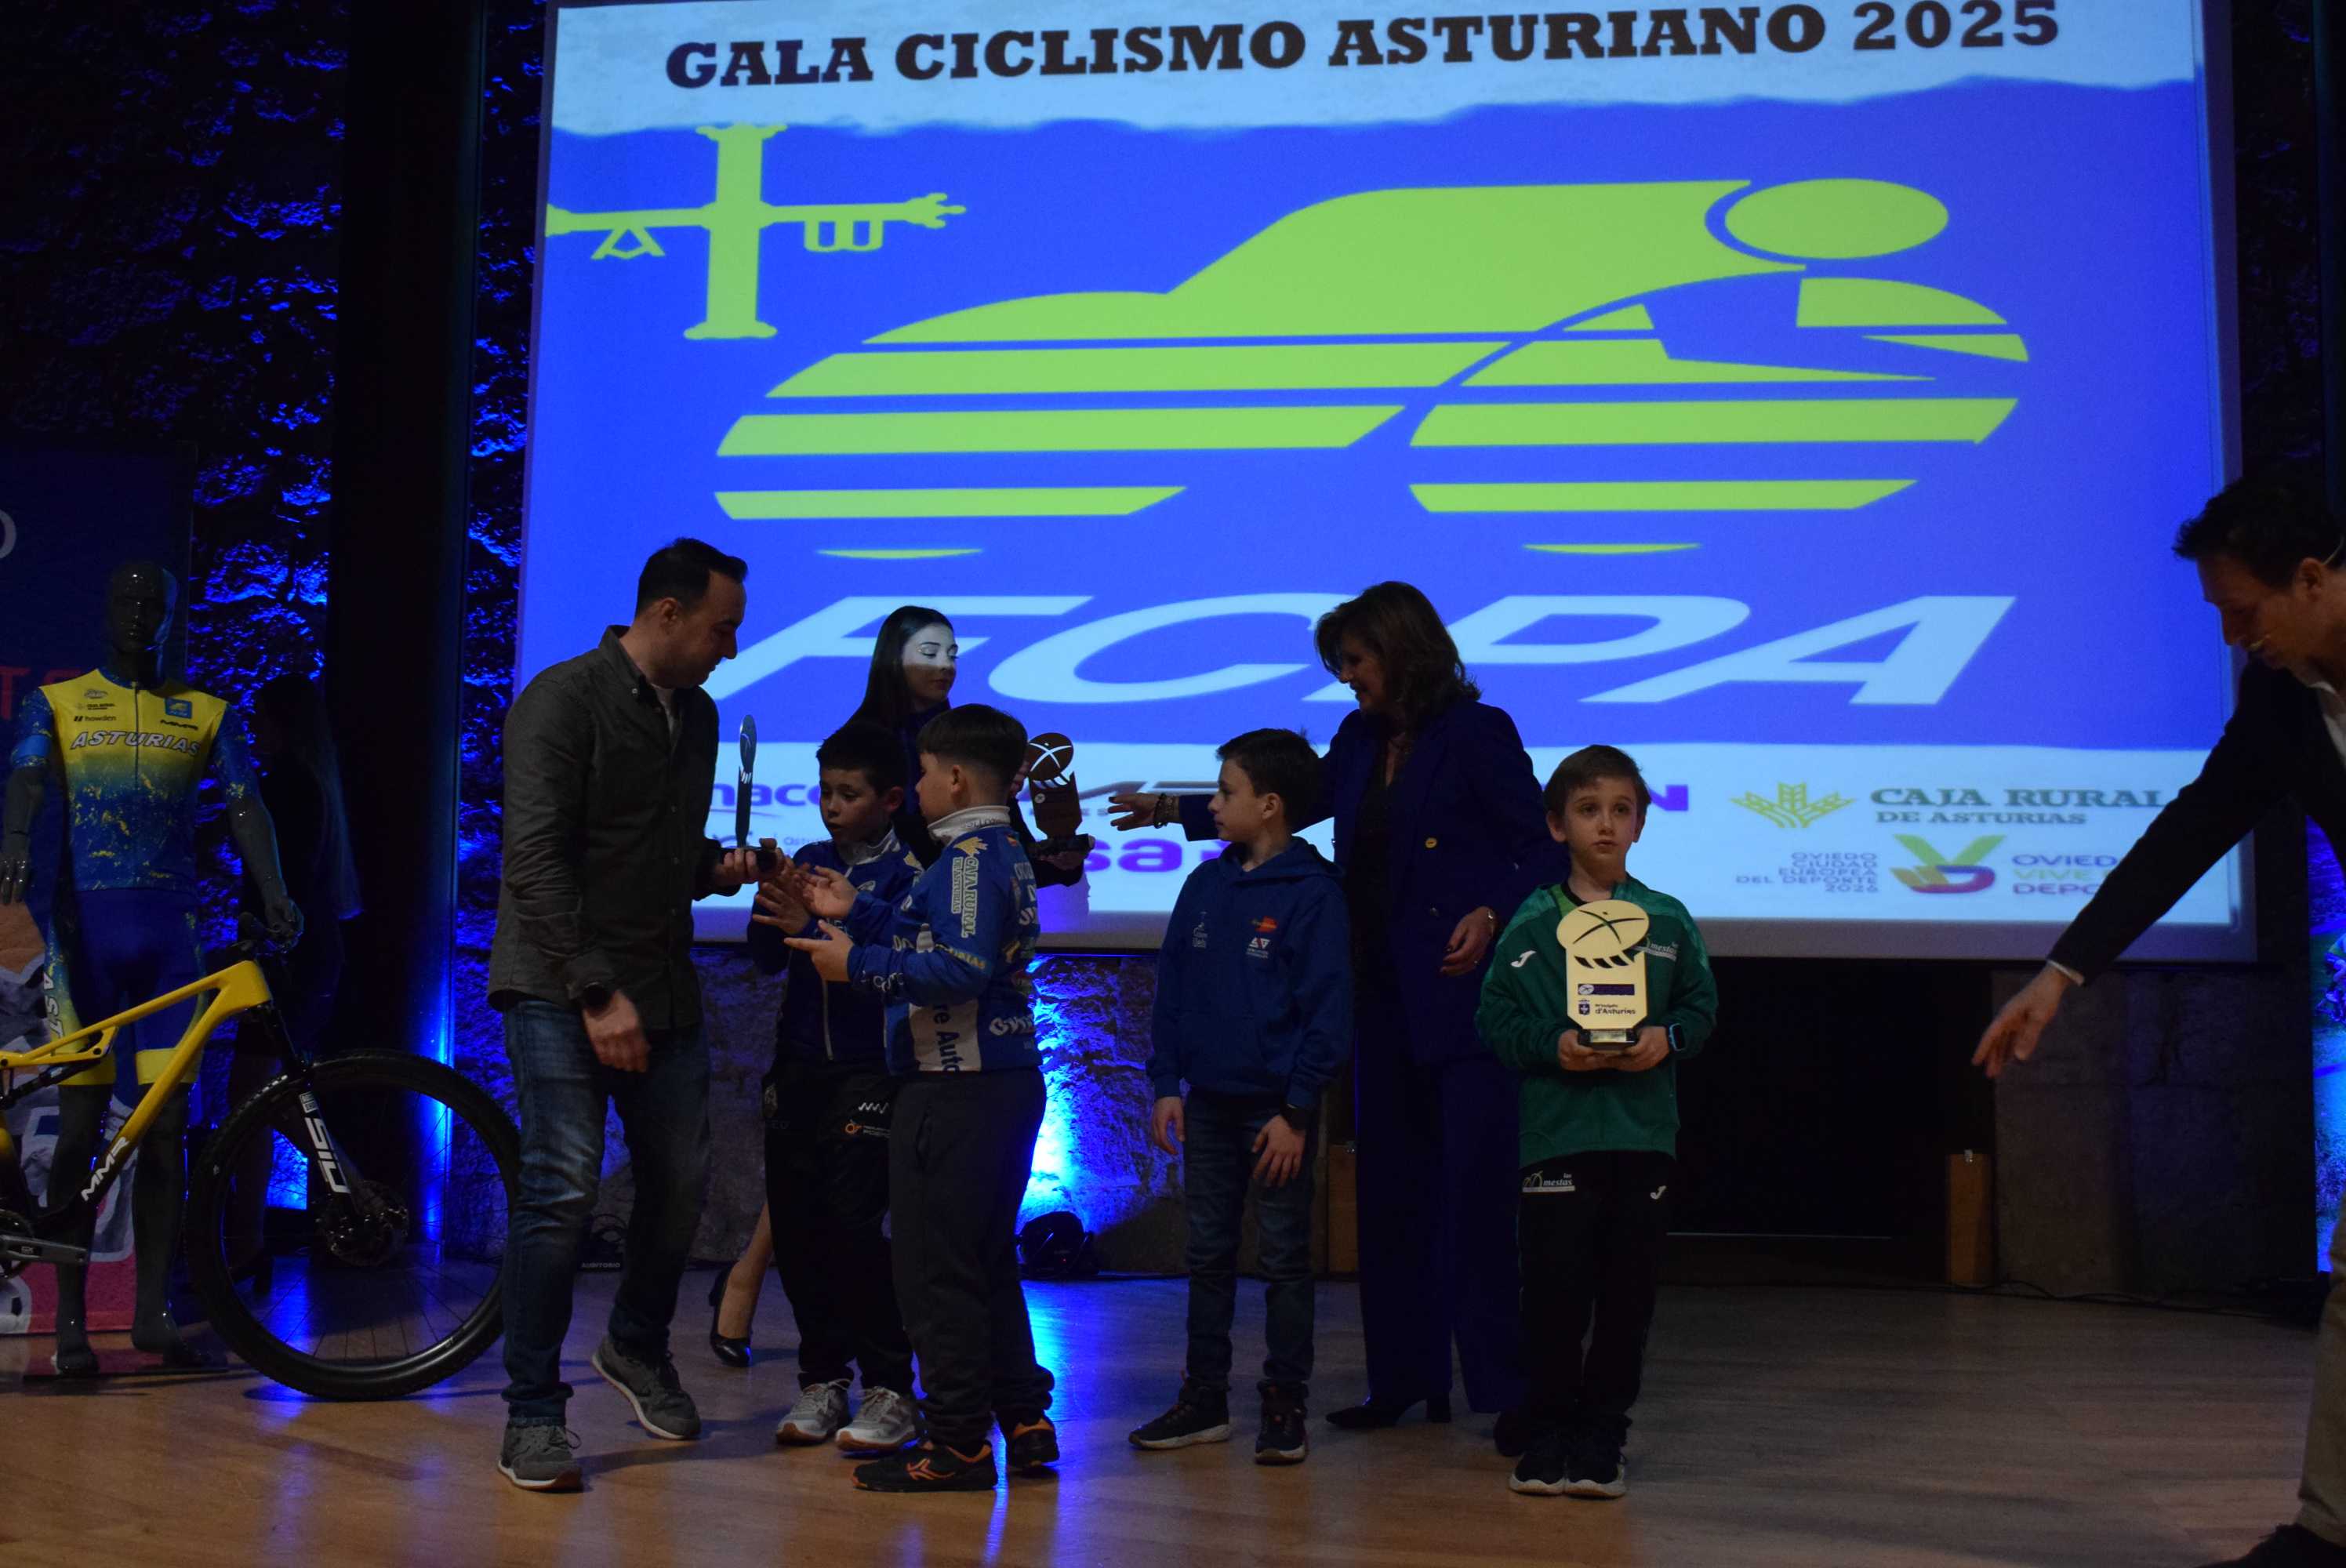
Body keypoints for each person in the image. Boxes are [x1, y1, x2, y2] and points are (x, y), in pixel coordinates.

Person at [1971, 471, 2346, 1568]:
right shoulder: (2281, 702)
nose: (2237, 637)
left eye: (2246, 611)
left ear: (2315, 579)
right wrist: (2065, 969)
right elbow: (2198, 824)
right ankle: (2328, 1533)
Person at [1110, 582, 1560, 1450]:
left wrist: (1492, 910)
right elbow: (1286, 801)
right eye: (1340, 664)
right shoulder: (1358, 737)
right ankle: (1405, 1379)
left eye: (1355, 662)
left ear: (1403, 652)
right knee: (1390, 1195)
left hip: (1465, 1002)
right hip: (1381, 997)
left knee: (1474, 1197)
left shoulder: (1476, 731)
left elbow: (1537, 842)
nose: (1347, 679)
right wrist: (1170, 808)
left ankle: (1508, 1389)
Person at [486, 538, 761, 1494]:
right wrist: (596, 992)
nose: (732, 645)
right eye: (723, 626)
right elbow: (535, 861)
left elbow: (655, 858)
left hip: (662, 980)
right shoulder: (562, 700)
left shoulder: (700, 716)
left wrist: (715, 870)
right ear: (668, 613)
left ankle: (636, 1345)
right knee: (560, 1188)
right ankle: (530, 1411)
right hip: (562, 984)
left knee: (681, 1183)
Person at [0, 560, 303, 1374]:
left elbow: (246, 803)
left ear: (171, 616)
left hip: (173, 941)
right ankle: (67, 1322)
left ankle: (151, 1311)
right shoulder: (58, 701)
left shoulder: (205, 712)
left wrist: (273, 888)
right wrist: (16, 844)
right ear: (105, 610)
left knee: (167, 1128)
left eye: (153, 605)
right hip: (84, 943)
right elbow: (27, 773)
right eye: (125, 600)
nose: (138, 616)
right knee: (76, 1124)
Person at [782, 703, 1058, 1494]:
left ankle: (959, 1441)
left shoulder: (969, 856)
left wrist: (855, 966)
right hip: (996, 1086)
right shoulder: (993, 851)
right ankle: (1023, 1418)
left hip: (956, 1087)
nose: (920, 784)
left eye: (927, 772)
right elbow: (936, 935)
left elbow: (961, 967)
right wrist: (856, 909)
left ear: (957, 777)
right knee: (982, 1260)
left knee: (935, 1271)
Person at [1476, 745, 1717, 1501]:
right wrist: (1555, 1046)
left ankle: (1603, 1434)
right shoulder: (1532, 925)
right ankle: (1546, 1431)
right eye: (1588, 811)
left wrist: (1663, 1038)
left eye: (1620, 810)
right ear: (1557, 826)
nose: (1605, 825)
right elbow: (1494, 1019)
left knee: (1626, 1296)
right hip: (1558, 1136)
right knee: (1552, 1293)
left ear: (1641, 824)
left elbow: (1699, 1011)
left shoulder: (1669, 919)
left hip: (1642, 1138)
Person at [1131, 728, 1350, 1465]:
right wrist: (1168, 1084)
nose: (1214, 804)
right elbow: (1174, 992)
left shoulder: (1315, 895)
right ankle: (1204, 1400)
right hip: (1209, 1103)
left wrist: (1295, 1112)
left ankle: (1284, 1401)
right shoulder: (1205, 884)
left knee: (1286, 1259)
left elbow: (1329, 1013)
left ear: (1271, 805)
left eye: (1226, 793)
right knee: (1207, 1255)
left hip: (1275, 1113)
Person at [743, 719, 922, 1454]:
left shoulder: (912, 875)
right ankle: (822, 1380)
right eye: (824, 791)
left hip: (869, 1069)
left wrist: (830, 927)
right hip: (798, 1068)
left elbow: (900, 969)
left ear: (890, 799)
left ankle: (889, 1387)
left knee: (854, 1227)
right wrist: (778, 911)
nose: (831, 806)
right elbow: (762, 956)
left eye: (849, 794)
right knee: (799, 1226)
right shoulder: (810, 862)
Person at [224, 671, 364, 1285]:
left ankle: (349, 1191)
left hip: (286, 960)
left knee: (256, 1101)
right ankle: (247, 1238)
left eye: (260, 720)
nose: (254, 731)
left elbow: (283, 883)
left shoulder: (282, 788)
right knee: (262, 1099)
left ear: (277, 723)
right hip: (309, 956)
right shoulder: (315, 787)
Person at [848, 604, 1090, 886]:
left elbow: (1011, 850)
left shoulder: (969, 736)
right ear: (893, 658)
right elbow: (869, 840)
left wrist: (1059, 860)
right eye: (929, 653)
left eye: (953, 656)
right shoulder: (859, 741)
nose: (945, 666)